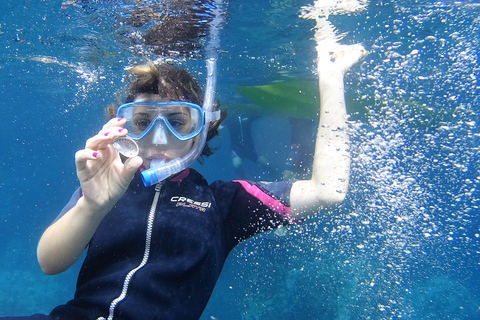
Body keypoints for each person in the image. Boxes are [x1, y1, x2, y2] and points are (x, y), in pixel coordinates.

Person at [1, 44, 363, 319]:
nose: (159, 138)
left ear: (202, 129)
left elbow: (327, 191)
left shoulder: (225, 203)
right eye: (143, 121)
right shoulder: (104, 185)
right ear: (122, 128)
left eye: (178, 120)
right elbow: (49, 263)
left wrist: (331, 84)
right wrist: (92, 206)